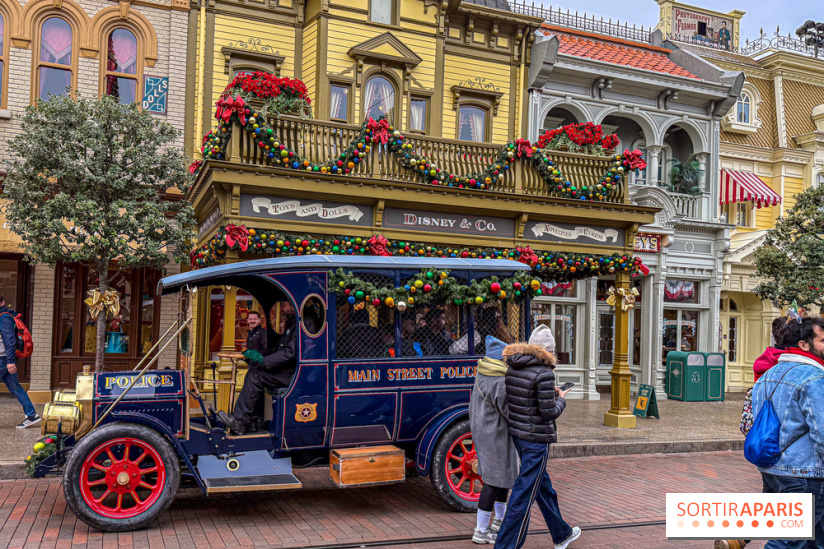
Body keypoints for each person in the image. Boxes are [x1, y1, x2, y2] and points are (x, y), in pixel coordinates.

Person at [495, 324, 580, 549]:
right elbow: (549, 412)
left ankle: (561, 533)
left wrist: (547, 393)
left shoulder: (514, 367)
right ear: (548, 350)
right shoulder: (544, 373)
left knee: (542, 486)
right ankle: (506, 546)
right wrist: (561, 398)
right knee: (523, 495)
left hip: (520, 436)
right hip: (537, 439)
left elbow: (521, 398)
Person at [750, 317, 824, 548]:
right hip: (804, 473)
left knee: (813, 539)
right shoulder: (814, 378)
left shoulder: (767, 376)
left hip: (772, 468)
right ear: (804, 344)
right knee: (787, 542)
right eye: (823, 340)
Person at [218, 301, 297, 435]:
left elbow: (290, 353)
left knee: (256, 374)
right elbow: (278, 349)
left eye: (284, 304)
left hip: (292, 374)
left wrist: (262, 360)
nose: (281, 307)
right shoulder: (293, 324)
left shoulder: (304, 324)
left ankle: (239, 421)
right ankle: (251, 421)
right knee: (255, 372)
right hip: (286, 370)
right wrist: (259, 356)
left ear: (293, 305)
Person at [469, 336, 517, 544]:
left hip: (484, 432)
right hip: (495, 435)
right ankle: (481, 530)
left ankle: (498, 522)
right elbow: (508, 410)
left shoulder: (483, 374)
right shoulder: (498, 380)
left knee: (500, 479)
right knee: (493, 482)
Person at [0, 295, 39, 428]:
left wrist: (10, 361)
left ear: (2, 302)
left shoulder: (4, 317)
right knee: (15, 387)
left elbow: (10, 341)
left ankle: (32, 414)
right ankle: (32, 414)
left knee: (15, 387)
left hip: (3, 359)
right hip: (6, 359)